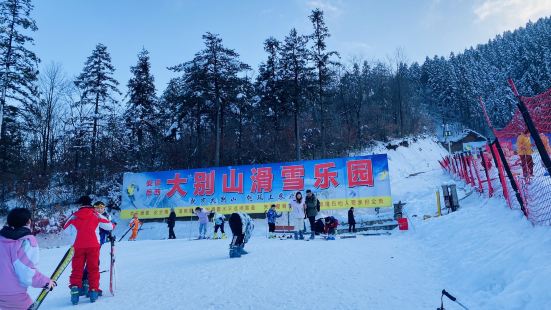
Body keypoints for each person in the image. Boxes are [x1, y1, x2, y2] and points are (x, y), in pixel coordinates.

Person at [0, 208, 56, 310]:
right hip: (13, 294)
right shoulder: (26, 241)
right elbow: (25, 271)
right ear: (29, 222)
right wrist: (45, 282)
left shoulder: (1, 238)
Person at [64, 196, 114, 305]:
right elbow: (109, 226)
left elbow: (65, 228)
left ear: (80, 204)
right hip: (93, 245)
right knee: (93, 269)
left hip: (78, 246)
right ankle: (93, 291)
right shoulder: (96, 214)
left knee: (77, 269)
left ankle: (75, 290)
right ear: (90, 204)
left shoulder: (74, 215)